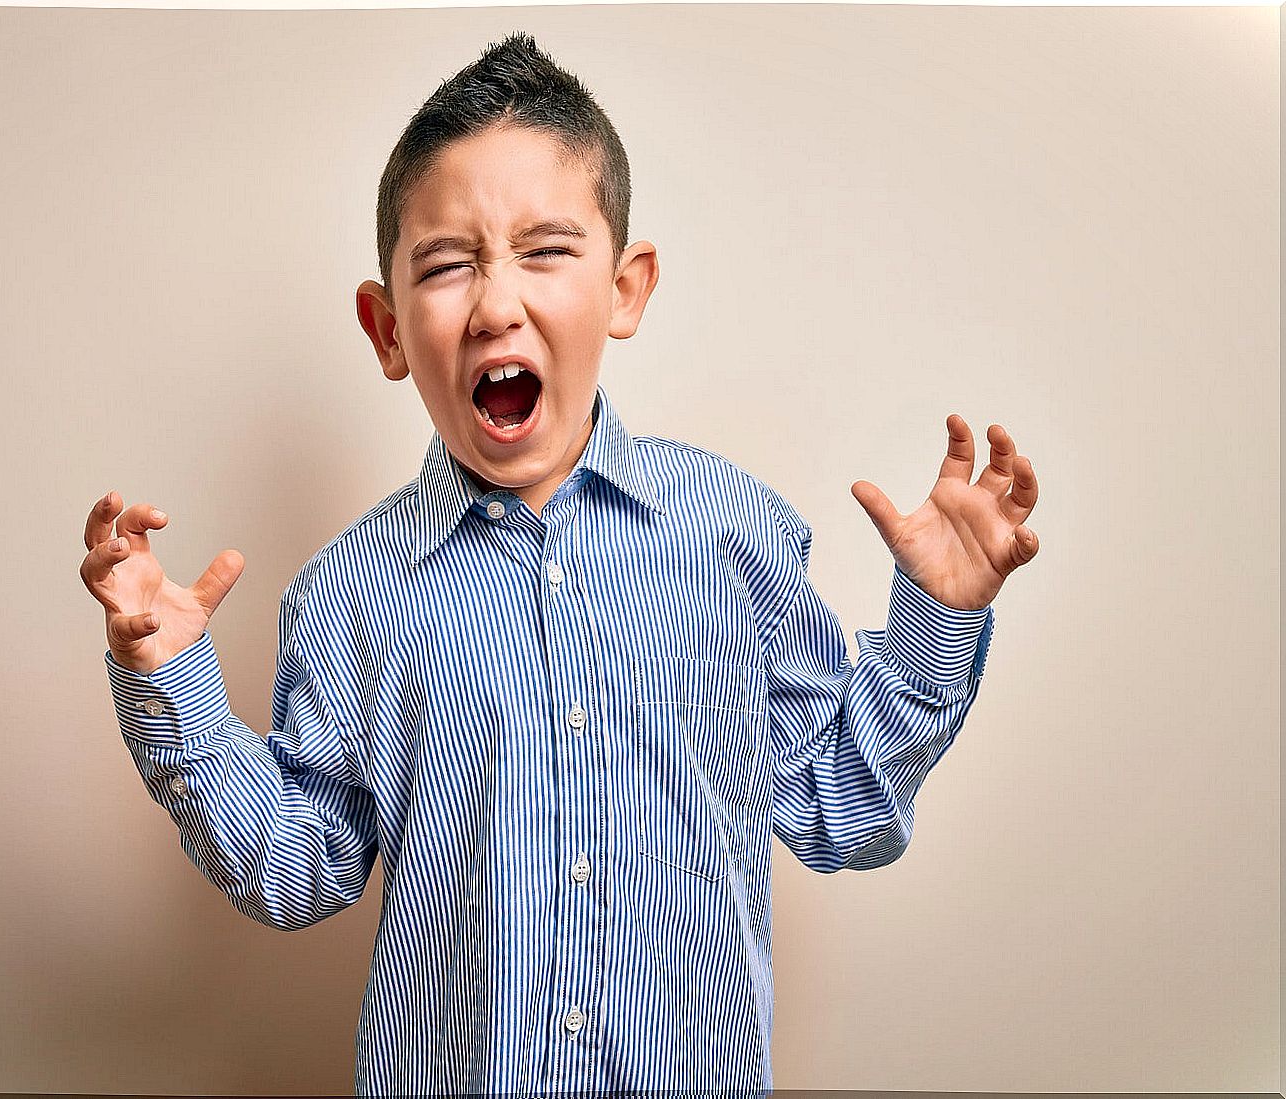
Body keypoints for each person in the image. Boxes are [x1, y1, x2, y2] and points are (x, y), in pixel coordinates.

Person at [77, 31, 1040, 1096]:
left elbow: (836, 806)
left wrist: (934, 624)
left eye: (544, 251)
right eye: (447, 264)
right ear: (386, 328)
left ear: (625, 290)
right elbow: (300, 868)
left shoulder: (730, 532)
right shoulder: (348, 595)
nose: (495, 304)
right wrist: (173, 688)